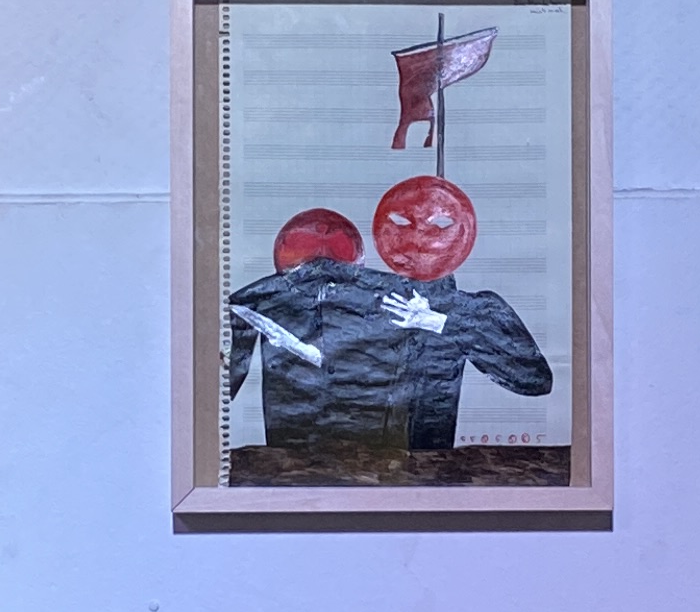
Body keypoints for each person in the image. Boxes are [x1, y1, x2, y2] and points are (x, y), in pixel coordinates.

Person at [228, 182, 551, 463]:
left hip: (414, 480)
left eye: (438, 224)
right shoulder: (268, 303)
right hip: (308, 482)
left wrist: (440, 322)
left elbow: (534, 378)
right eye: (403, 222)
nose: (420, 235)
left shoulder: (453, 308)